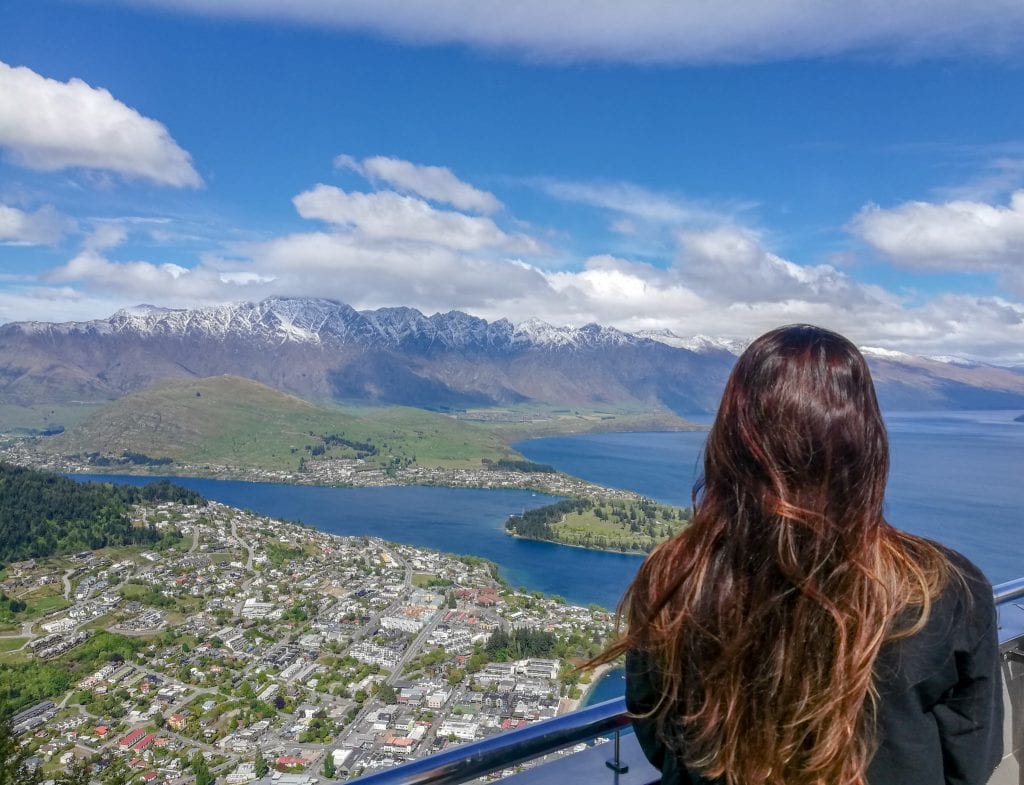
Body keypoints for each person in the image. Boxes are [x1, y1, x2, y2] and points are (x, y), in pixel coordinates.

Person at [593, 325, 1003, 785]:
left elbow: (655, 727)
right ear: (865, 439)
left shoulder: (677, 576)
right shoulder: (942, 587)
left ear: (733, 438)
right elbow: (971, 754)